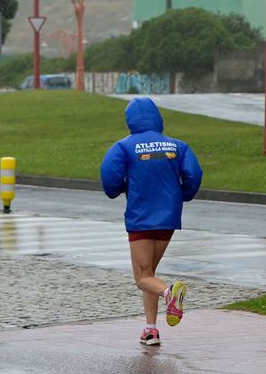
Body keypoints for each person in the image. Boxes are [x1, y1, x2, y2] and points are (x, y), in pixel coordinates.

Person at [100, 97, 202, 346]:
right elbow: (193, 174)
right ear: (159, 118)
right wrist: (183, 194)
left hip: (141, 218)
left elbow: (109, 178)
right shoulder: (179, 146)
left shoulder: (124, 147)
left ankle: (170, 295)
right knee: (150, 273)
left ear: (129, 120)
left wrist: (120, 188)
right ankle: (150, 329)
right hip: (168, 219)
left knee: (142, 277)